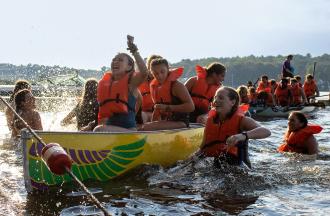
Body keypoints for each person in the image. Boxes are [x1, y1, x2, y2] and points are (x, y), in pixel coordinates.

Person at [198, 87, 271, 168]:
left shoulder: (242, 121)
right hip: (215, 167)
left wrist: (242, 135)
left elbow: (266, 131)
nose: (215, 101)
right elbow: (202, 148)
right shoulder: (210, 121)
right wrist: (192, 159)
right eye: (215, 97)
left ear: (232, 102)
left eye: (221, 98)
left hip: (238, 170)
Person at [94, 35, 148, 132]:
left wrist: (134, 51)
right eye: (114, 59)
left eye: (120, 60)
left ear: (129, 67)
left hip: (129, 132)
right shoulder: (106, 84)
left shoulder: (131, 83)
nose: (115, 61)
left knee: (99, 130)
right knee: (96, 128)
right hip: (113, 130)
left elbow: (144, 72)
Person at [142, 58, 194, 130]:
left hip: (181, 122)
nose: (159, 76)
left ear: (168, 69)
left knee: (146, 127)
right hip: (167, 121)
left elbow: (191, 107)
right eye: (155, 73)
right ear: (151, 73)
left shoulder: (177, 86)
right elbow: (157, 109)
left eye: (162, 72)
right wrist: (153, 122)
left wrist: (167, 107)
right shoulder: (155, 87)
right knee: (144, 126)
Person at [137, 54, 162, 123]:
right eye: (152, 67)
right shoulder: (140, 81)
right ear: (148, 68)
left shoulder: (168, 83)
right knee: (143, 116)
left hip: (160, 115)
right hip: (144, 113)